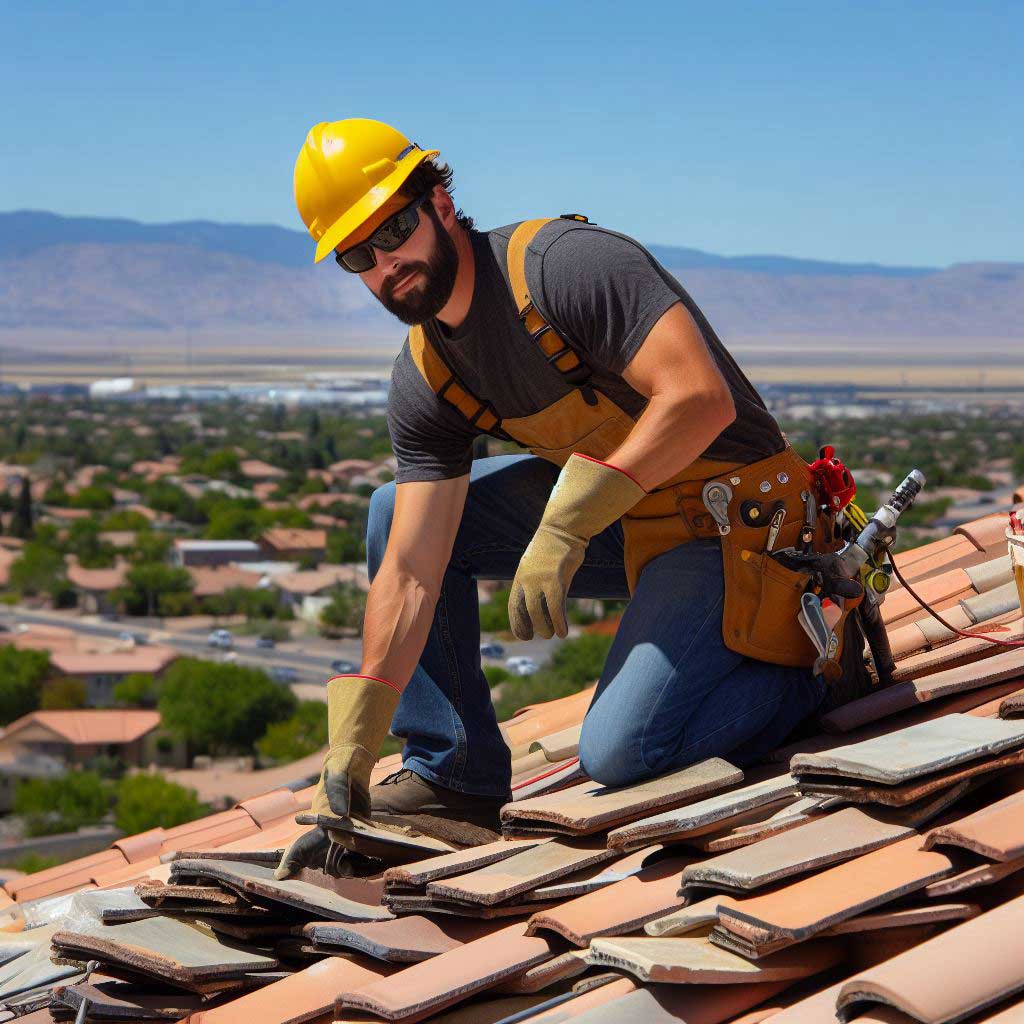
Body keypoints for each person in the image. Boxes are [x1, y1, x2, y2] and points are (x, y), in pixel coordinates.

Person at [276, 118, 824, 878]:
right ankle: (451, 776)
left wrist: (564, 528)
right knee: (389, 514)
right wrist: (356, 741)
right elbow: (409, 572)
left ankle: (811, 669)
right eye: (357, 255)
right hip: (629, 522)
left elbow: (700, 400)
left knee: (623, 752)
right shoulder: (426, 375)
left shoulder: (566, 267)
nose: (386, 263)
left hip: (736, 518)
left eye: (395, 227)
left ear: (439, 201)